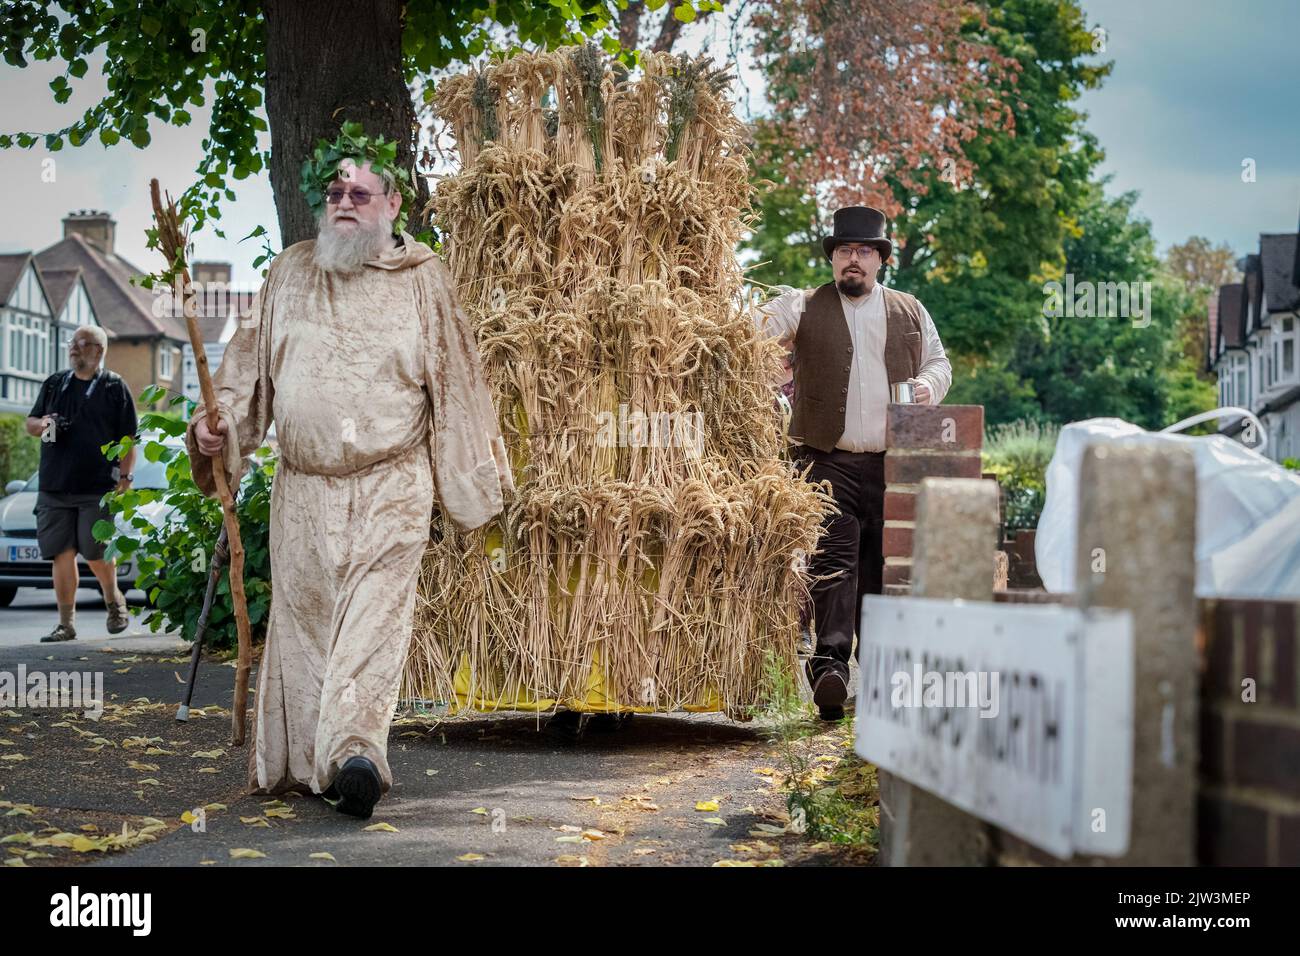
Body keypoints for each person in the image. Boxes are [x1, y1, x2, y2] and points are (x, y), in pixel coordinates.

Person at [189, 138, 513, 820]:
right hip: (303, 489)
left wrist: (473, 483)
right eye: (334, 195)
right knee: (307, 629)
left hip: (390, 483)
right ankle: (317, 765)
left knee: (372, 623)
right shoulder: (288, 274)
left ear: (392, 205)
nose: (342, 204)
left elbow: (457, 380)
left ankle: (358, 754)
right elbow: (242, 380)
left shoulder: (423, 279)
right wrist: (213, 433)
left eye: (359, 194)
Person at [757, 206, 952, 720]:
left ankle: (881, 668)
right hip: (824, 457)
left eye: (865, 251)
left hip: (893, 460)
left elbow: (939, 361)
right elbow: (748, 339)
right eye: (845, 250)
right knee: (835, 556)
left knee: (881, 565)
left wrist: (930, 385)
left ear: (881, 260)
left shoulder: (911, 310)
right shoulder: (800, 307)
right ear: (833, 258)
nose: (853, 260)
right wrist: (770, 364)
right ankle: (830, 668)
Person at [25, 325, 137, 642]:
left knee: (95, 552)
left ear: (98, 351)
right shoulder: (55, 384)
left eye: (81, 343)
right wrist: (44, 424)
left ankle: (114, 600)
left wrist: (125, 476)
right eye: (72, 343)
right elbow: (30, 423)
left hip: (97, 486)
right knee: (61, 553)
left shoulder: (114, 388)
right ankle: (66, 623)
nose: (74, 348)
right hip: (54, 485)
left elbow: (128, 438)